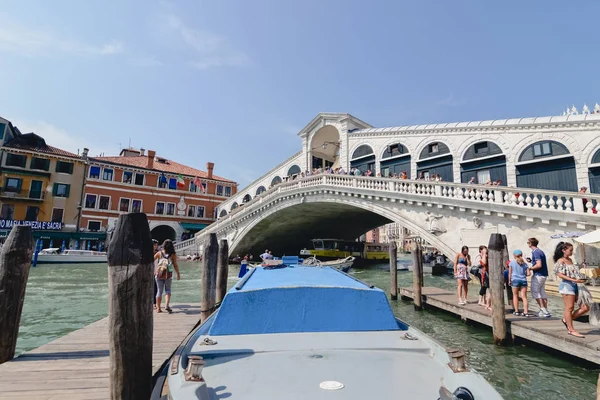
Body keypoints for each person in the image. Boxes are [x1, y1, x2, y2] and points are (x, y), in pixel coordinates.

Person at [554, 242, 589, 338]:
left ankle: (566, 320)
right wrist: (574, 280)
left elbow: (572, 272)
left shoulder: (570, 260)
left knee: (585, 308)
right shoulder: (561, 261)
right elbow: (559, 274)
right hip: (567, 286)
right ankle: (571, 329)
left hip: (576, 285)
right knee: (569, 308)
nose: (572, 252)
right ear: (563, 250)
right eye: (570, 250)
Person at [154, 239, 181, 314]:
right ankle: (166, 305)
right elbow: (175, 265)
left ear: (163, 246)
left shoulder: (159, 253)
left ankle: (158, 308)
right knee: (168, 290)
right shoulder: (173, 254)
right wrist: (178, 273)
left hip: (159, 274)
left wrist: (154, 270)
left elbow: (151, 260)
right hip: (168, 275)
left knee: (159, 291)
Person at [527, 237, 551, 317]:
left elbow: (539, 265)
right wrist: (531, 261)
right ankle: (544, 311)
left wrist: (530, 268)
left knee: (535, 291)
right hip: (543, 274)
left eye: (528, 243)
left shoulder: (536, 252)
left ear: (531, 244)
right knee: (542, 292)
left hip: (538, 275)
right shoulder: (540, 251)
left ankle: (543, 309)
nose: (527, 244)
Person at [508, 249, 531, 316]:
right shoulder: (525, 264)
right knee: (524, 297)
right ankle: (526, 312)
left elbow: (510, 273)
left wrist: (509, 281)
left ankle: (516, 311)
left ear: (514, 256)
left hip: (515, 280)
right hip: (523, 280)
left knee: (515, 296)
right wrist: (524, 274)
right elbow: (529, 274)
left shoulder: (511, 263)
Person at [152, 239, 159, 309]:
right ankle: (153, 303)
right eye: (155, 245)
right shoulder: (149, 253)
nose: (156, 246)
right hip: (150, 272)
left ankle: (154, 303)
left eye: (157, 245)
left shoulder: (158, 252)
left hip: (156, 272)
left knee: (155, 288)